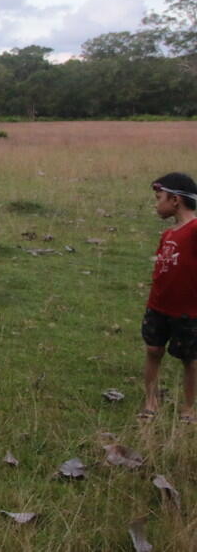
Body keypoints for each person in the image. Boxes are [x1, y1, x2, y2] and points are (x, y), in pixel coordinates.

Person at [139, 172, 197, 423]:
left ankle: (188, 409)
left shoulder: (194, 230)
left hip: (188, 311)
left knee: (190, 360)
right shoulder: (168, 235)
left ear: (175, 200)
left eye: (158, 197)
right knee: (153, 349)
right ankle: (150, 401)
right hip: (158, 306)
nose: (155, 203)